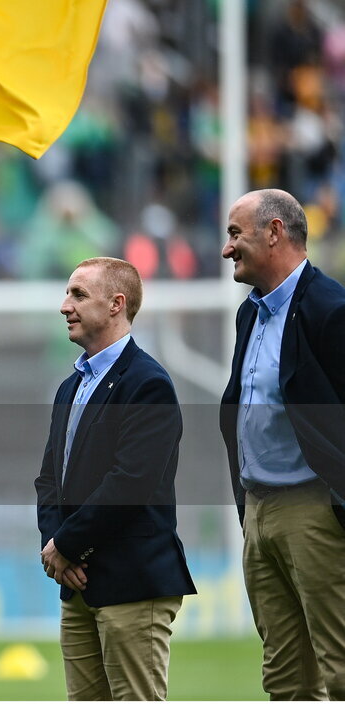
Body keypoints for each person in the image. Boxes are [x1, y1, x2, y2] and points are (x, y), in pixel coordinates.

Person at [34, 257, 196, 700]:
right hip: (76, 581)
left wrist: (66, 546)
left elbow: (130, 483)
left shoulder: (147, 383)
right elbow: (50, 478)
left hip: (131, 581)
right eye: (67, 293)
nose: (65, 305)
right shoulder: (71, 387)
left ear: (116, 305)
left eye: (78, 294)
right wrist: (56, 547)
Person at [219, 188, 345, 699]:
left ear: (274, 233)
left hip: (315, 512)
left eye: (235, 234)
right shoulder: (250, 313)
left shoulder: (330, 310)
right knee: (285, 678)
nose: (227, 249)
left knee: (338, 668)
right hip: (260, 511)